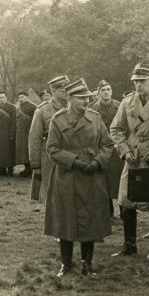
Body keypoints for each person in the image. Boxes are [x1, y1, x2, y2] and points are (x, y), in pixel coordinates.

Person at [44, 78, 113, 277]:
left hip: (92, 175)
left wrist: (98, 162)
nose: (86, 101)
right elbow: (52, 149)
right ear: (70, 98)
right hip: (67, 176)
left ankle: (87, 263)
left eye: (88, 98)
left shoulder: (95, 118)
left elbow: (107, 144)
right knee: (66, 218)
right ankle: (66, 264)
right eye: (82, 98)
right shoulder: (58, 119)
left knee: (90, 219)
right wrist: (75, 161)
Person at [110, 63, 149, 259]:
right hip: (133, 156)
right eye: (136, 81)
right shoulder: (127, 102)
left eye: (142, 81)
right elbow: (116, 129)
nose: (138, 85)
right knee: (126, 200)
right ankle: (129, 245)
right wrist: (124, 151)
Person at [28, 75, 69, 203]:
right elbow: (34, 138)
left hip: (71, 156)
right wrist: (35, 164)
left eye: (67, 89)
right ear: (53, 91)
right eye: (63, 90)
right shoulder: (42, 110)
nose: (66, 92)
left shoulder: (74, 107)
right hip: (49, 158)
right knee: (51, 195)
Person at [89, 80, 123, 217]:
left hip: (117, 148)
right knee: (104, 180)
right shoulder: (93, 108)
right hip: (101, 148)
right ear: (98, 93)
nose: (106, 92)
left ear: (112, 91)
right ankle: (107, 211)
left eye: (108, 89)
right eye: (103, 90)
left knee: (120, 180)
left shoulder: (119, 106)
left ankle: (124, 210)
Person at [0, 91, 16, 176]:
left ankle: (10, 170)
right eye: (0, 98)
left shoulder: (12, 107)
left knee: (8, 152)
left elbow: (14, 122)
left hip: (7, 133)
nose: (1, 99)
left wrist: (12, 134)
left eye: (3, 97)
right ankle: (1, 169)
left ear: (6, 98)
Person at [15, 91, 37, 177]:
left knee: (28, 150)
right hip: (21, 132)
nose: (20, 99)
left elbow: (35, 120)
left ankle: (31, 169)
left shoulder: (33, 106)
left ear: (27, 97)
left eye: (22, 97)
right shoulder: (18, 107)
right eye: (19, 97)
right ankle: (26, 168)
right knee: (23, 151)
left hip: (29, 131)